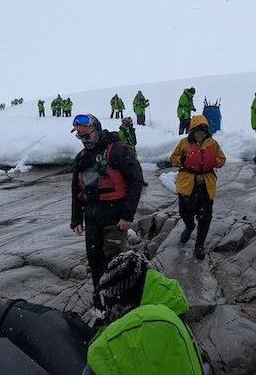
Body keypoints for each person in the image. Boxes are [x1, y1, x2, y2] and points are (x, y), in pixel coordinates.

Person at [84, 251, 202, 375]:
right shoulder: (170, 310)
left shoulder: (151, 324)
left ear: (126, 305)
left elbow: (99, 358)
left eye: (112, 311)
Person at [70, 114, 144, 308]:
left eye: (87, 136)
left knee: (115, 265)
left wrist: (128, 215)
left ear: (98, 130)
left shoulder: (119, 150)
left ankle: (119, 304)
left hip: (115, 219)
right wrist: (76, 220)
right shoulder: (81, 158)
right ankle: (100, 305)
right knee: (95, 265)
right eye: (80, 137)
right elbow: (77, 191)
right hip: (92, 219)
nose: (84, 141)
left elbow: (136, 181)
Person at [169, 115, 226, 260]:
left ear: (207, 131)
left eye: (203, 130)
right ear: (192, 131)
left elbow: (222, 159)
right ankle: (189, 227)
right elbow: (173, 159)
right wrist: (181, 160)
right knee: (185, 211)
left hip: (206, 184)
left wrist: (214, 161)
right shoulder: (184, 143)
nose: (200, 133)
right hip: (187, 182)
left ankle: (199, 245)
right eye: (197, 130)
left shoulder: (213, 144)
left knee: (205, 216)